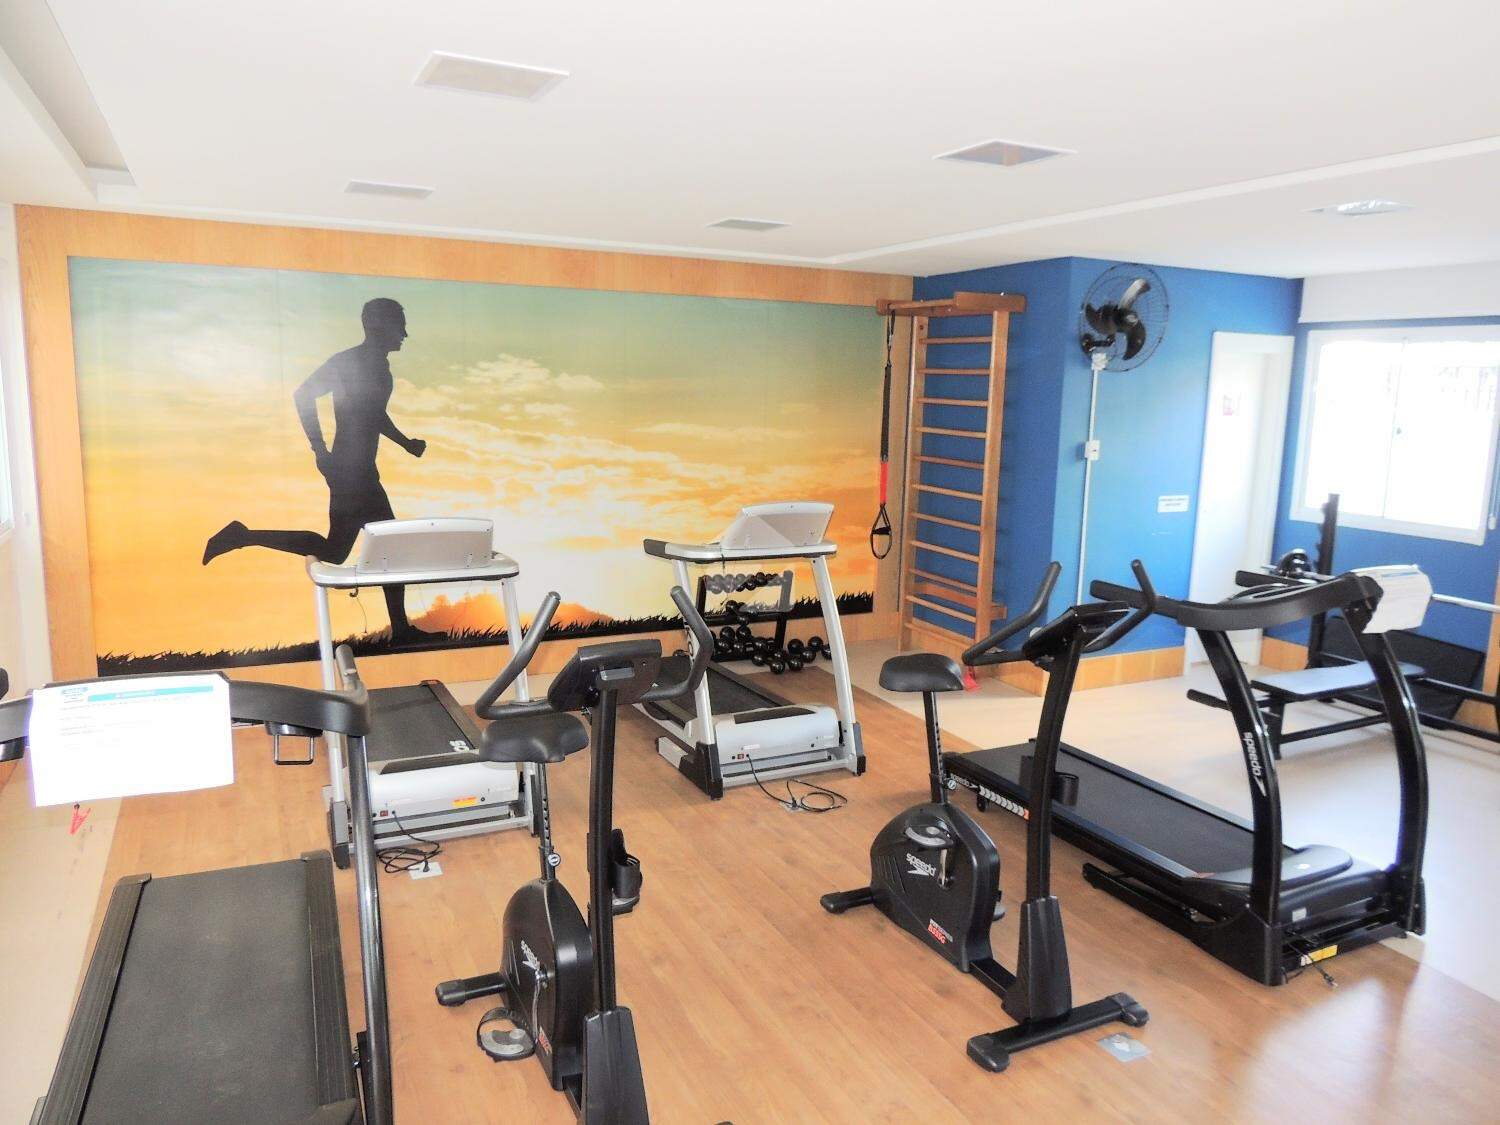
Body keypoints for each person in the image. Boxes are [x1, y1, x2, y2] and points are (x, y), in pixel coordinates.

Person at [203, 297, 428, 641]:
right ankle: (401, 631)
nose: (405, 334)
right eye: (400, 325)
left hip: (360, 468)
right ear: (380, 325)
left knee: (337, 550)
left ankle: (242, 536)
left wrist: (405, 443)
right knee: (386, 549)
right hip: (350, 469)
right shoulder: (347, 362)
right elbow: (302, 395)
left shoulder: (378, 367)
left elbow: (372, 414)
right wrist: (319, 449)